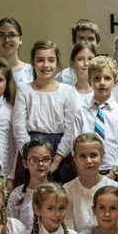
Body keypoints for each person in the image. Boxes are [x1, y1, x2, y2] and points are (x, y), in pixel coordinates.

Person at [12, 40, 77, 183]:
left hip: (59, 149)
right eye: (40, 60)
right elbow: (18, 126)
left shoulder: (66, 91)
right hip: (30, 147)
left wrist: (58, 158)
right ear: (32, 63)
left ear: (57, 62)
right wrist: (30, 157)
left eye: (51, 60)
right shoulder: (24, 90)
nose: (46, 65)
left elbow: (71, 129)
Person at [71, 56, 118, 180]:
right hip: (86, 170)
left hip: (112, 170)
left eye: (107, 78)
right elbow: (75, 146)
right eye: (97, 78)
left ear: (115, 81)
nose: (102, 83)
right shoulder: (82, 112)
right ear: (89, 81)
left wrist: (114, 172)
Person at [63, 134, 118, 231]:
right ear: (75, 159)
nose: (88, 161)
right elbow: (68, 230)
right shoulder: (67, 190)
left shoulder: (115, 188)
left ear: (102, 157)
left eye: (93, 155)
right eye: (82, 156)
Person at [7, 140, 55, 228]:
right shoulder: (17, 195)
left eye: (46, 159)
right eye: (34, 160)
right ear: (25, 163)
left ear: (51, 162)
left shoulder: (59, 192)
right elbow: (11, 228)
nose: (40, 164)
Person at [0, 17, 33, 88]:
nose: (6, 40)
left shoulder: (31, 72)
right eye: (1, 35)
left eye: (12, 35)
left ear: (20, 39)